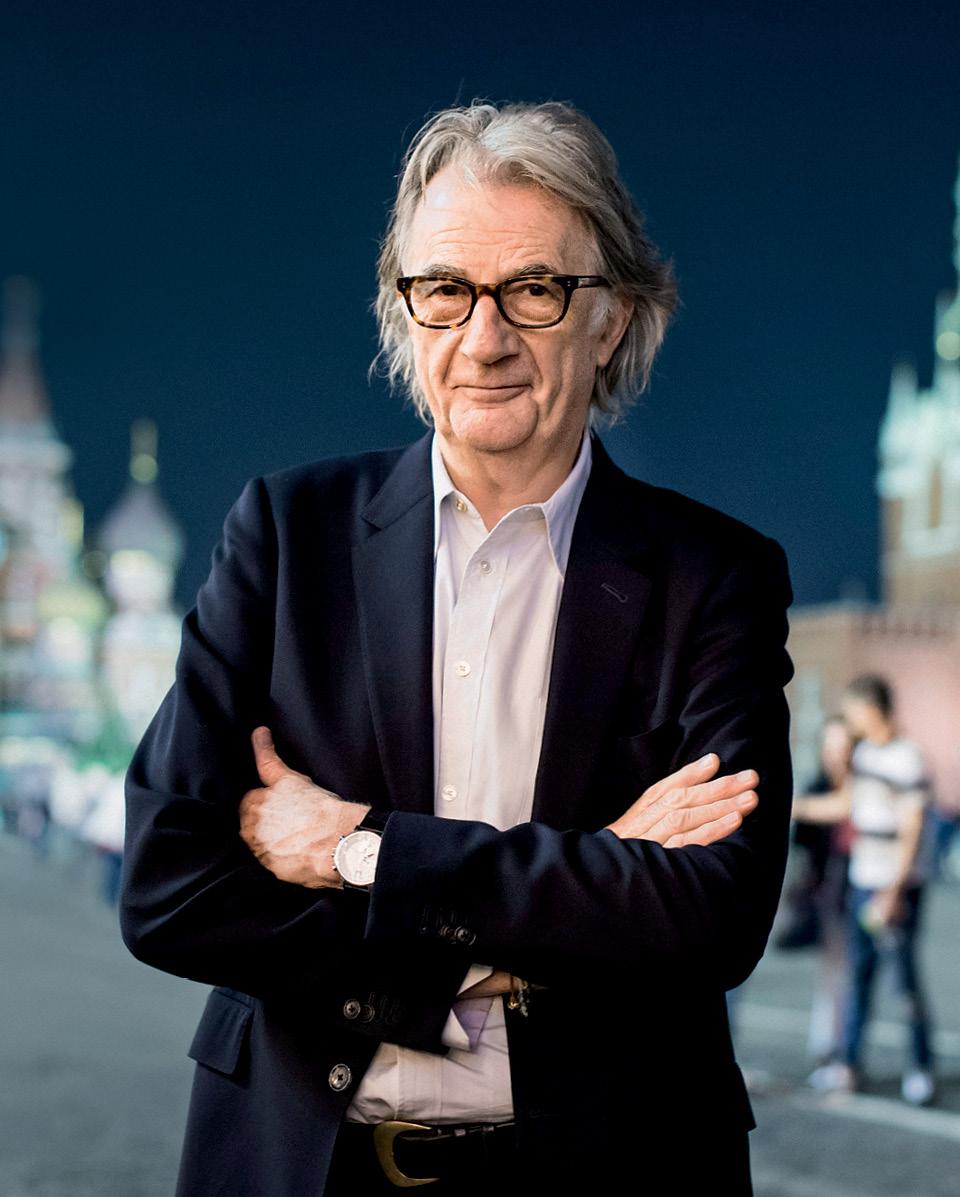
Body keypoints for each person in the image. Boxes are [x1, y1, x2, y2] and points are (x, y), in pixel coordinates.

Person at [119, 99, 796, 1196]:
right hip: (305, 1164)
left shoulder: (714, 576)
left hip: (610, 1170)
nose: (484, 340)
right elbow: (166, 884)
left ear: (610, 320)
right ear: (406, 311)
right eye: (444, 290)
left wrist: (362, 851)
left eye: (534, 289)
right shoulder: (288, 536)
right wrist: (527, 923)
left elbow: (713, 915)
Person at [802, 675, 937, 1106]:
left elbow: (913, 828)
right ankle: (849, 1064)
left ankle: (920, 1066)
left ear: (871, 709)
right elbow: (848, 805)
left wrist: (893, 891)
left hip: (895, 888)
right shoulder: (864, 755)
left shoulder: (908, 758)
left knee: (904, 981)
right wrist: (796, 805)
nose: (851, 719)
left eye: (853, 710)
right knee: (858, 978)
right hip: (863, 881)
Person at [784, 715, 854, 1062]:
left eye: (843, 747)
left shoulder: (863, 783)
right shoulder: (818, 784)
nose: (836, 754)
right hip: (829, 891)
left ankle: (845, 1049)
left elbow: (847, 805)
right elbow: (804, 846)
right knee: (834, 971)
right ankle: (829, 1045)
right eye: (830, 746)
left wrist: (797, 806)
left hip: (861, 889)